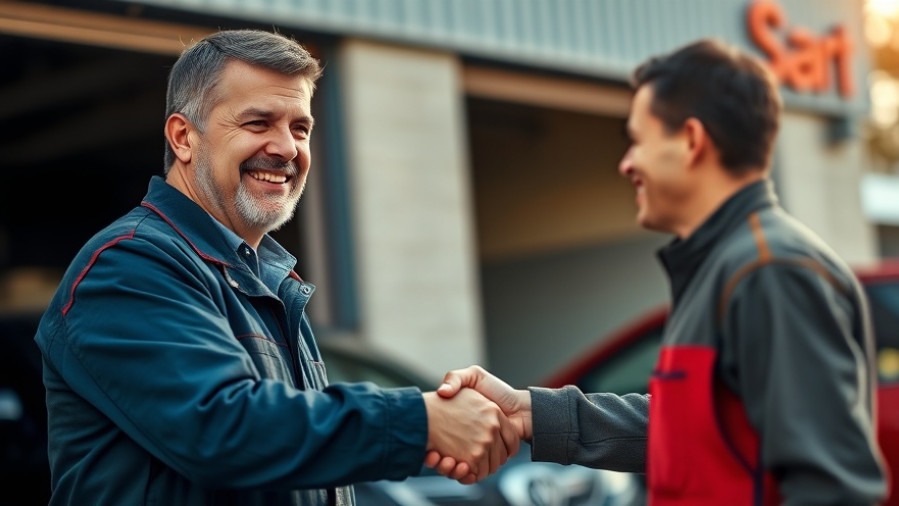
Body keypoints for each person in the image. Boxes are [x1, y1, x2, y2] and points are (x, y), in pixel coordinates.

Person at [33, 28, 519, 505]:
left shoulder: (265, 280)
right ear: (184, 137)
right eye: (258, 123)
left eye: (300, 127)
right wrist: (423, 420)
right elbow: (222, 429)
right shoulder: (128, 265)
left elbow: (294, 454)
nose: (287, 148)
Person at [427, 38, 890, 504]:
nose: (627, 163)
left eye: (637, 139)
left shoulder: (771, 273)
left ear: (691, 141)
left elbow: (832, 490)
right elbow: (692, 433)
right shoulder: (726, 267)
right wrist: (529, 412)